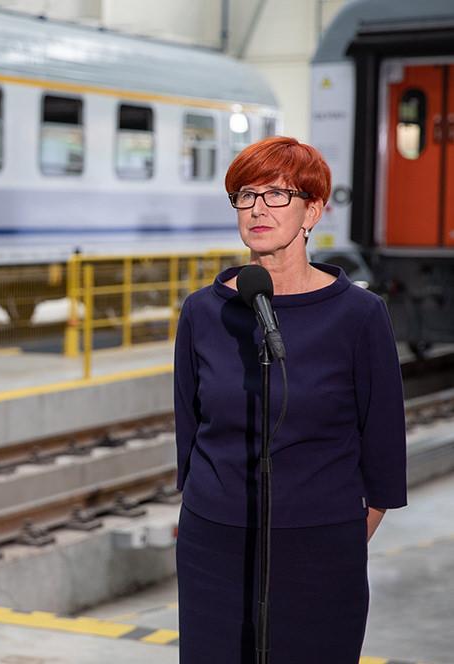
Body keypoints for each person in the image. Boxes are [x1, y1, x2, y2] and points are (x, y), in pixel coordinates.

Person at [173, 136, 407, 663]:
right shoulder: (202, 313)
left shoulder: (358, 315)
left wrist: (336, 537)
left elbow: (384, 454)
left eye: (277, 194)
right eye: (245, 194)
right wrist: (206, 510)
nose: (257, 208)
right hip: (214, 547)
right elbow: (189, 432)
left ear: (313, 211)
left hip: (321, 550)